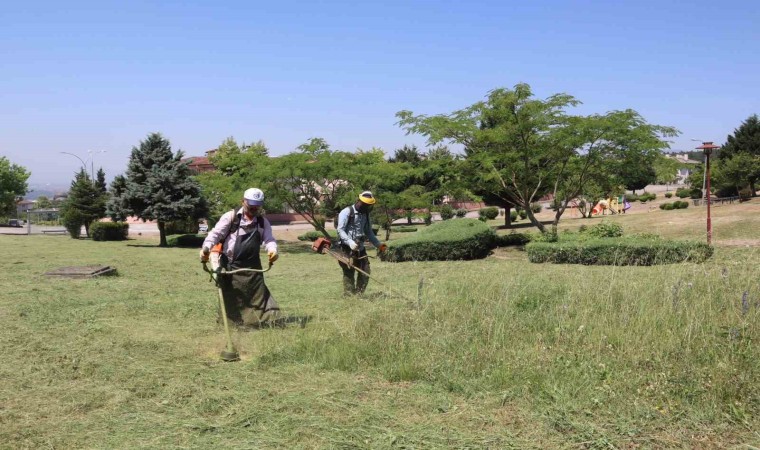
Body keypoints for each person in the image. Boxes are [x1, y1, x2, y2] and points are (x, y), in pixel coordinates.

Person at [200, 188, 280, 327]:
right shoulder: (231, 217)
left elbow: (269, 239)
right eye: (251, 206)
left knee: (257, 298)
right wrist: (206, 248)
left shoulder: (262, 222)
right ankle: (232, 325)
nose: (254, 209)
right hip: (231, 266)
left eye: (257, 206)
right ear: (243, 201)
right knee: (232, 299)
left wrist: (273, 250)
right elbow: (215, 234)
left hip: (253, 268)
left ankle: (258, 323)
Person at [336, 191, 387, 296]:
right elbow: (340, 230)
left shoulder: (366, 214)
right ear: (359, 201)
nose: (366, 207)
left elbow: (369, 232)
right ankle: (349, 295)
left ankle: (359, 294)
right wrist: (349, 242)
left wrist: (379, 245)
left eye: (368, 205)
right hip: (346, 248)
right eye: (364, 205)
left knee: (365, 271)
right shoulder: (346, 212)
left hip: (360, 248)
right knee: (349, 272)